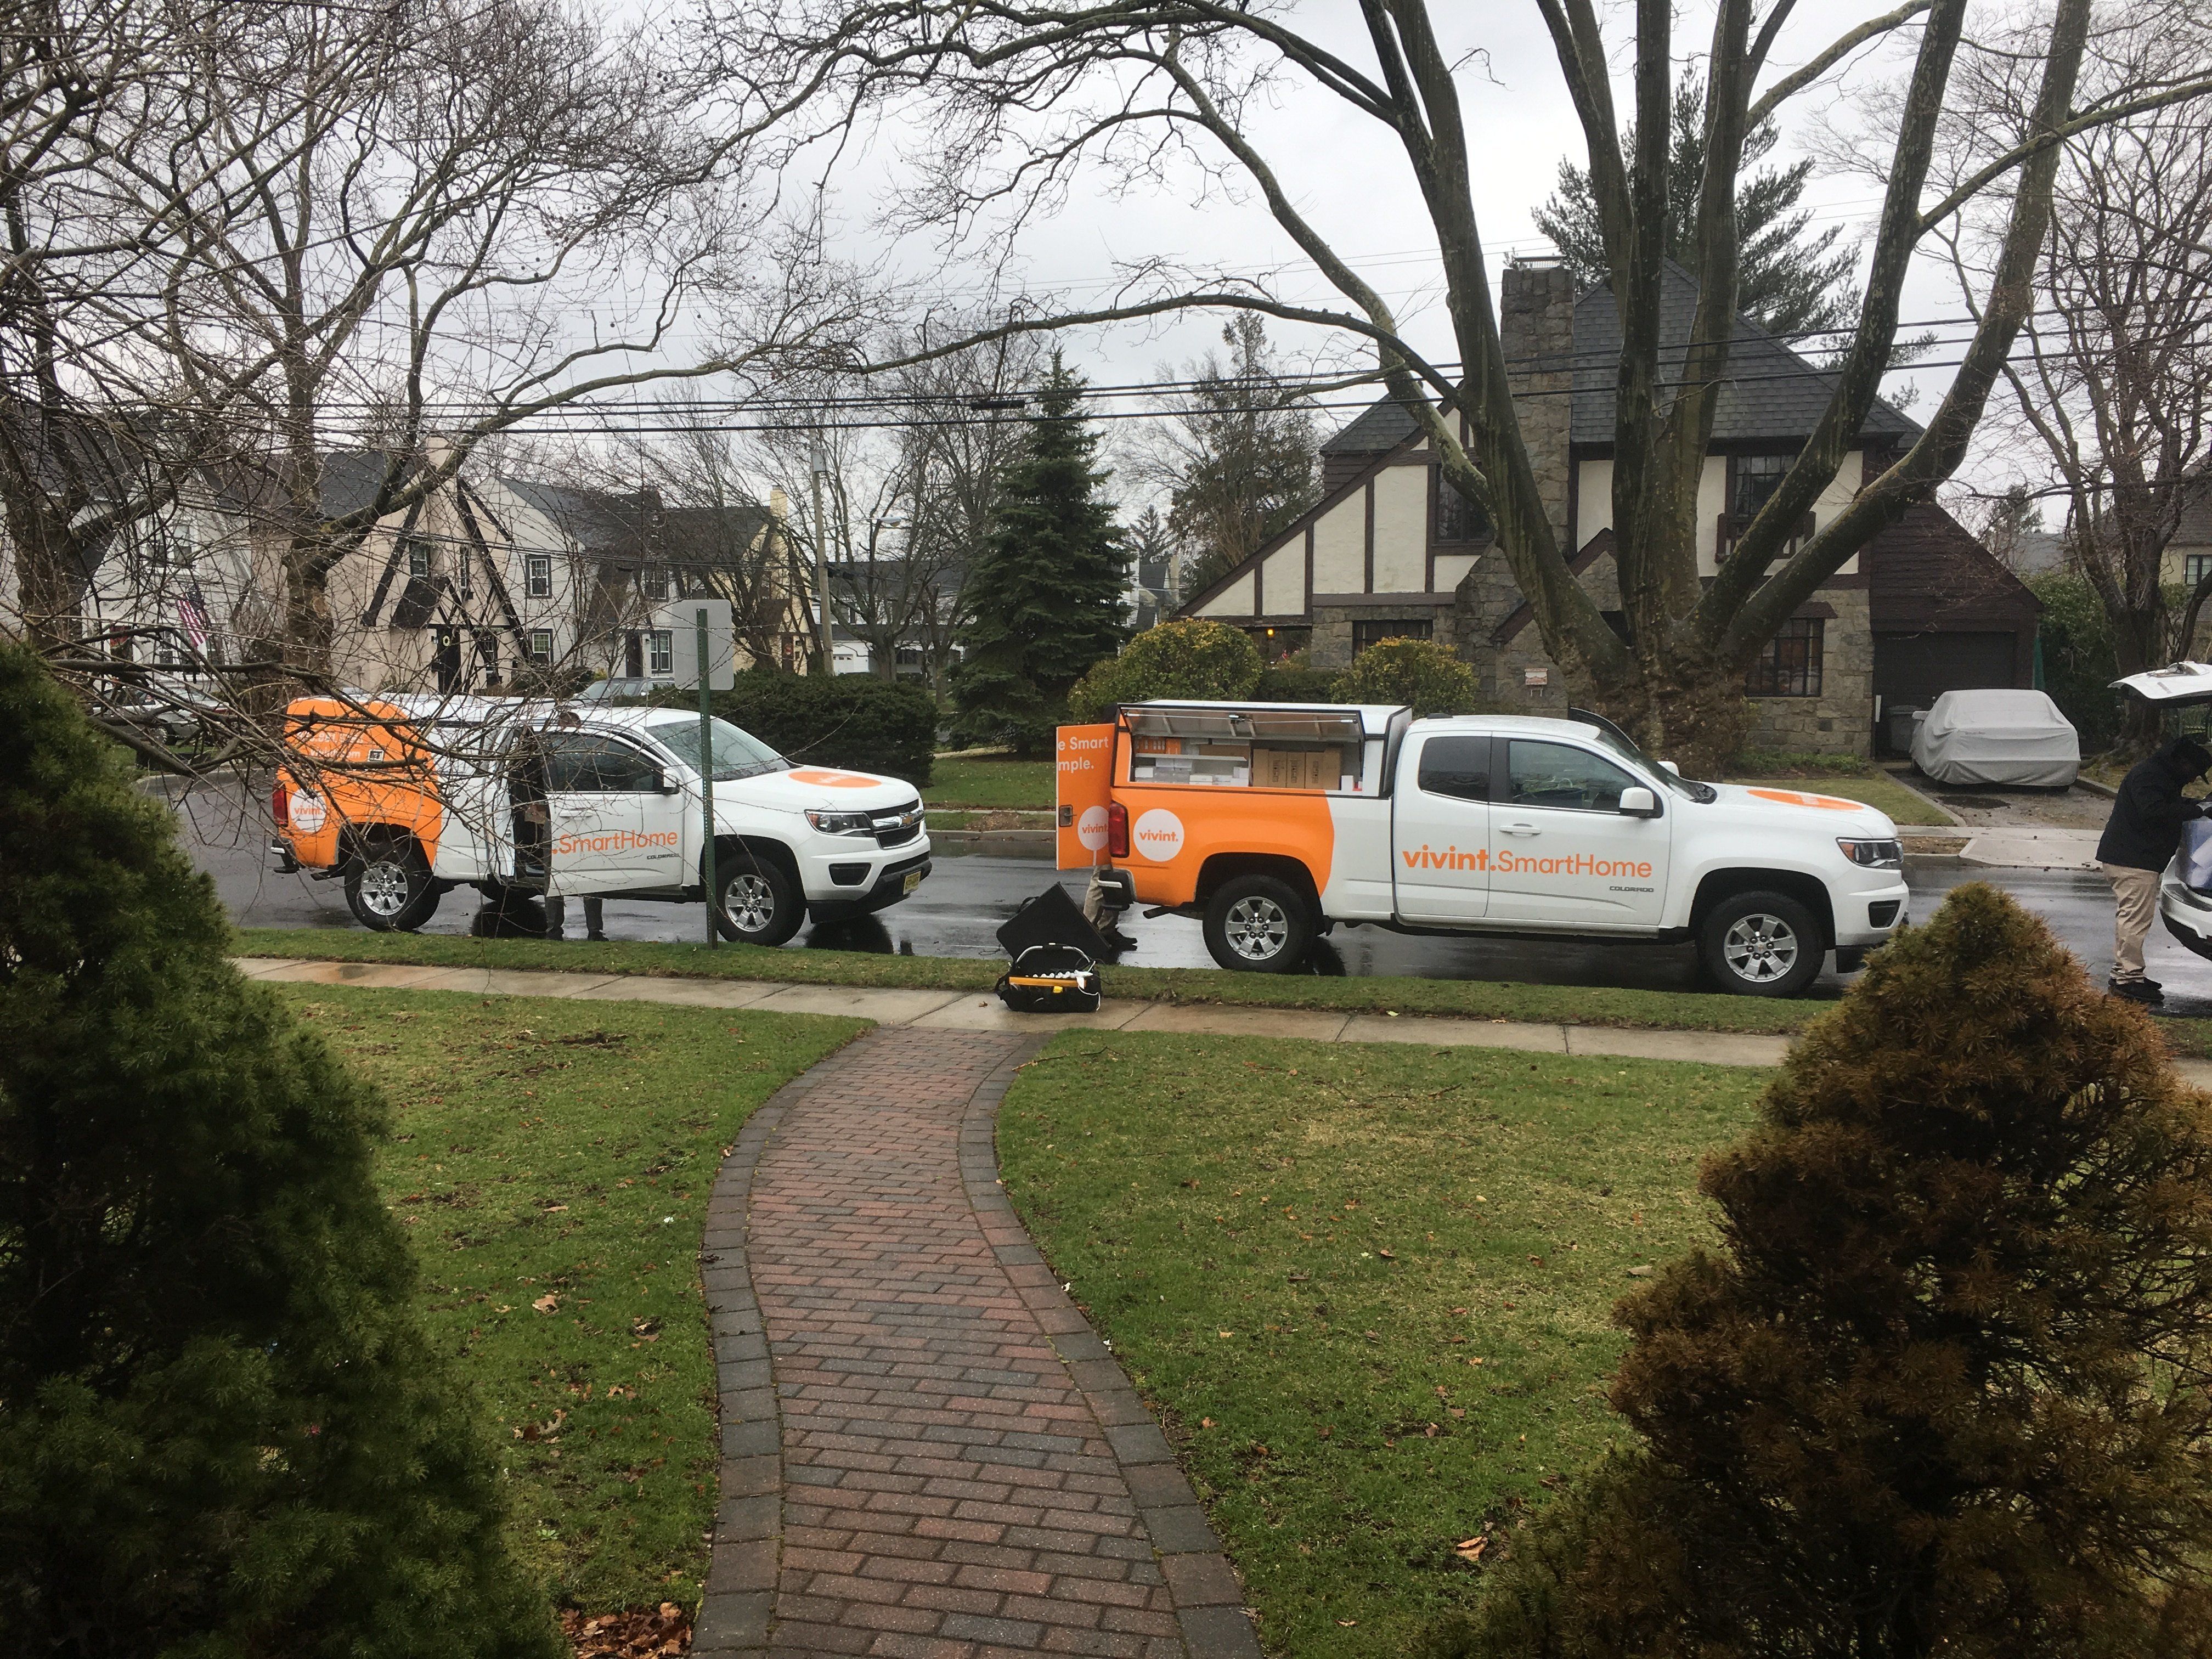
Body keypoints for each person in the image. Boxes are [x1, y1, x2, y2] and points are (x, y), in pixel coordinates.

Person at [2095, 733, 2212, 1003]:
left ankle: (2127, 973)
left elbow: (2168, 803)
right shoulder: (2149, 777)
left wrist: (2197, 805)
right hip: (2133, 861)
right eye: (2194, 772)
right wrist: (2198, 812)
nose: (2193, 778)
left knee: (2133, 918)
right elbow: (2154, 811)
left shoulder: (2158, 775)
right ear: (2182, 762)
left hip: (2134, 859)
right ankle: (2127, 979)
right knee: (2134, 920)